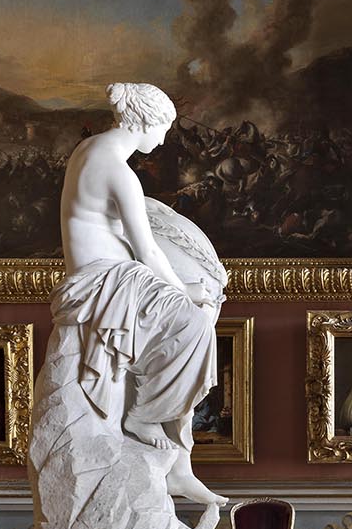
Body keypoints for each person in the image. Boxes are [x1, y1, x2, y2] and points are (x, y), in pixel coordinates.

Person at [53, 81, 224, 507]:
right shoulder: (119, 171)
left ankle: (180, 466)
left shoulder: (89, 150)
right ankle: (146, 415)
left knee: (189, 320)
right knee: (195, 325)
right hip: (107, 280)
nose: (163, 140)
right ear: (145, 122)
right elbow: (146, 250)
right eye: (163, 129)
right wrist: (184, 289)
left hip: (101, 274)